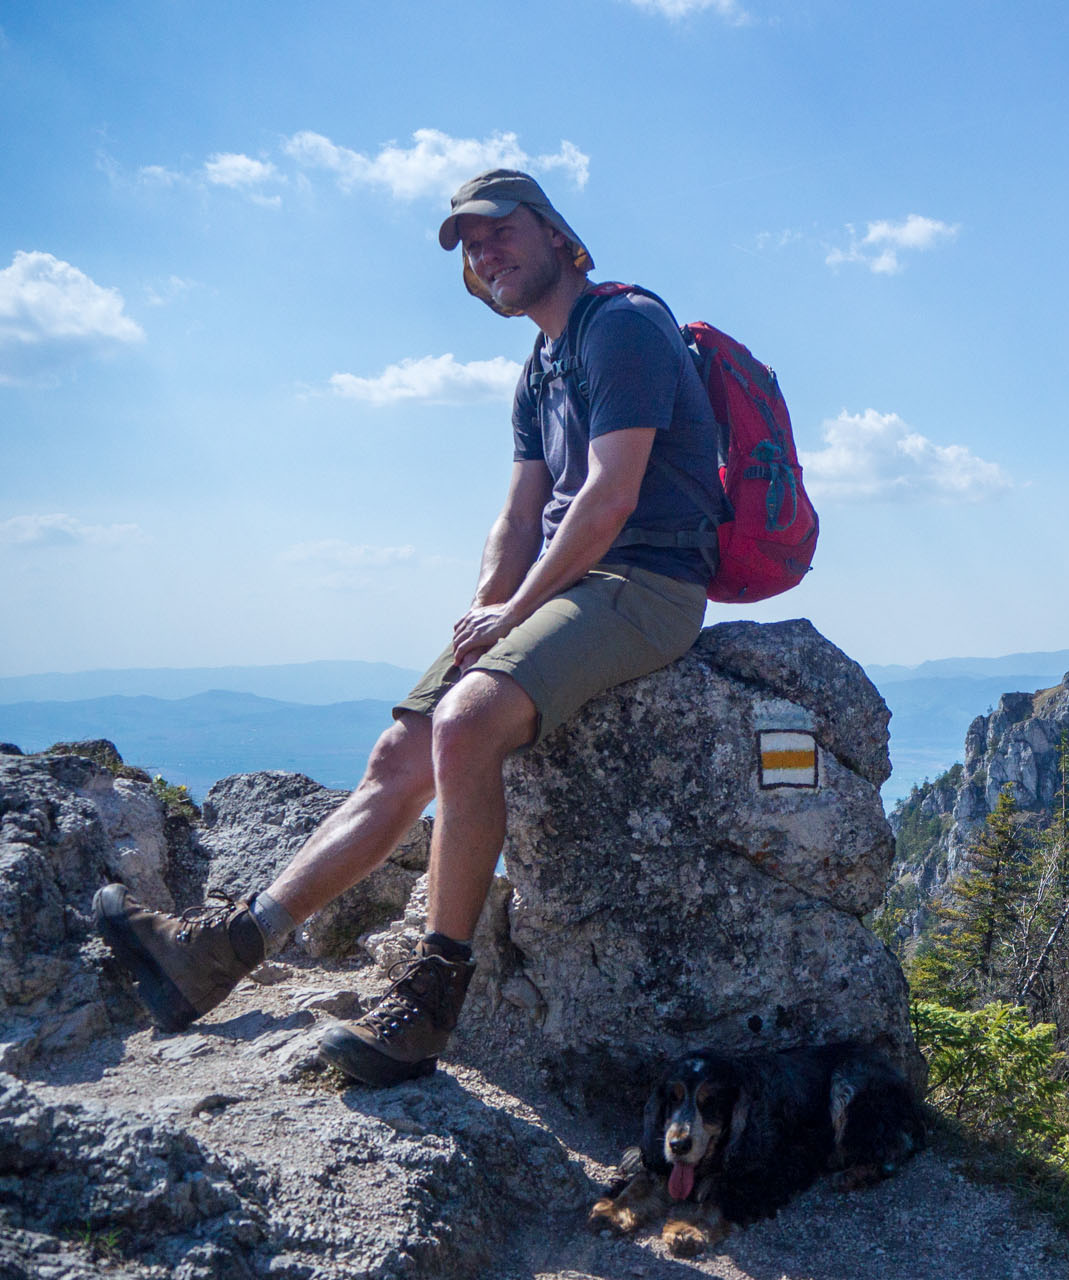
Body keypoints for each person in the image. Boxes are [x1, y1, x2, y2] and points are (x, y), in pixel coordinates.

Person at [94, 169, 726, 1086]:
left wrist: (514, 612)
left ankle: (432, 1002)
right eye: (470, 247)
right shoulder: (539, 366)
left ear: (552, 232)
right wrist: (484, 611)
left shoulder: (622, 327)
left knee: (467, 724)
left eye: (500, 232)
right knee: (399, 757)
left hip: (648, 579)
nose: (485, 254)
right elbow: (519, 516)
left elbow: (608, 497)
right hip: (564, 585)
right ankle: (226, 949)